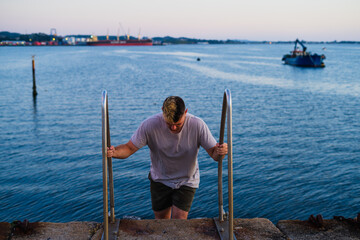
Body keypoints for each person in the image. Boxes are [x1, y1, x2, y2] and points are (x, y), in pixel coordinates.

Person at [107, 96, 228, 219]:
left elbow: (215, 155)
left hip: (186, 180)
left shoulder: (197, 125)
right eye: (169, 124)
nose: (173, 128)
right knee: (161, 222)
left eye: (178, 124)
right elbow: (129, 148)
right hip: (159, 179)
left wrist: (221, 152)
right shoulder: (150, 125)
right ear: (162, 111)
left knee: (179, 222)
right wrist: (114, 152)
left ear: (185, 112)